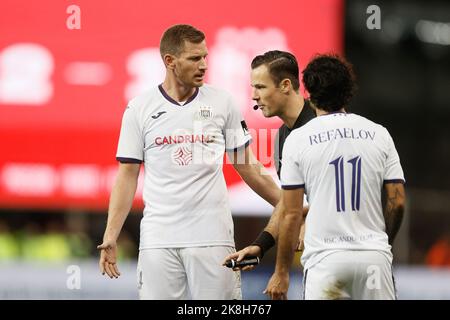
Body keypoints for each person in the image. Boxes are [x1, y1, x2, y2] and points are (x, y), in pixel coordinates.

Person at [97, 24, 280, 300]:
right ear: (170, 61)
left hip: (213, 238)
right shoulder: (139, 108)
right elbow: (127, 175)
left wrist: (290, 206)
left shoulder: (223, 103)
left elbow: (249, 168)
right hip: (159, 240)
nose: (204, 65)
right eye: (195, 58)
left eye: (205, 57)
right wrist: (111, 235)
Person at [265, 54, 406, 300]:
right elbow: (397, 201)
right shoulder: (380, 134)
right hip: (373, 259)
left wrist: (282, 272)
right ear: (349, 91)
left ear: (309, 93)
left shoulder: (297, 140)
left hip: (326, 261)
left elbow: (291, 213)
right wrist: (383, 245)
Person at [223, 50, 315, 268]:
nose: (254, 95)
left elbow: (343, 191)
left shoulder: (324, 122)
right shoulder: (282, 137)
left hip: (347, 248)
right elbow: (289, 201)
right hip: (319, 255)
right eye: (253, 87)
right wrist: (261, 245)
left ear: (285, 85)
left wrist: (311, 218)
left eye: (261, 87)